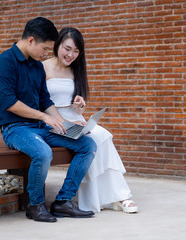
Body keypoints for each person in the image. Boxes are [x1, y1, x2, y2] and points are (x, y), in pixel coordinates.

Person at [0, 17, 97, 223]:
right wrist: (44, 117)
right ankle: (35, 205)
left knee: (87, 144)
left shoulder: (37, 67)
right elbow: (9, 102)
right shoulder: (4, 62)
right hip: (15, 128)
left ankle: (63, 201)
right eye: (46, 49)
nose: (47, 54)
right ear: (31, 40)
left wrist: (64, 124)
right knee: (43, 152)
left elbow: (44, 100)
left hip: (40, 127)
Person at [42, 27, 138, 214]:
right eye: (67, 48)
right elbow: (40, 101)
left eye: (76, 51)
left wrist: (80, 107)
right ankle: (116, 196)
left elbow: (75, 103)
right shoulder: (43, 67)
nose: (71, 55)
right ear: (58, 44)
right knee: (94, 140)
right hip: (53, 121)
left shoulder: (76, 70)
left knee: (103, 135)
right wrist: (64, 121)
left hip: (75, 118)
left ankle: (119, 195)